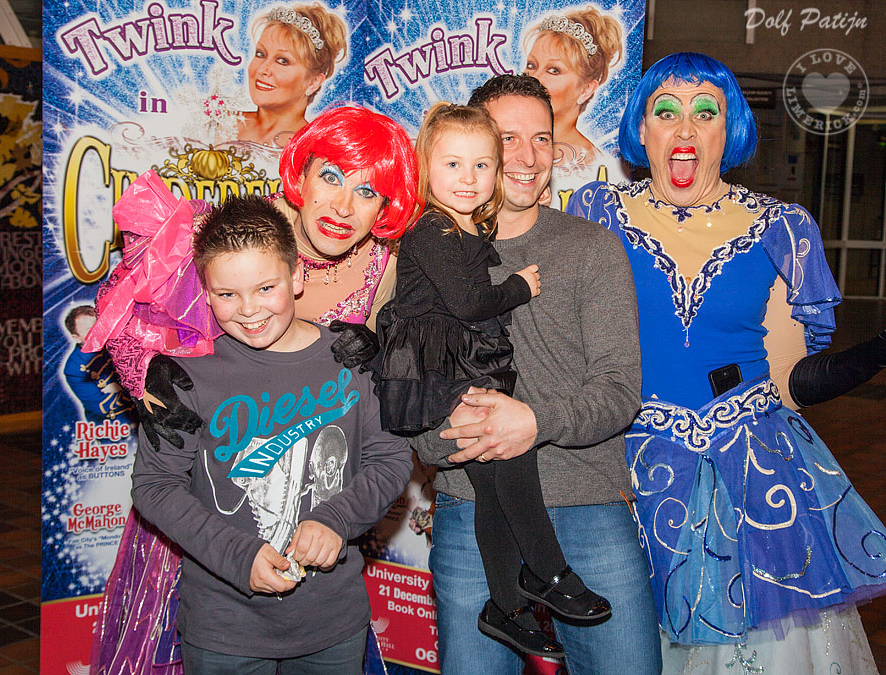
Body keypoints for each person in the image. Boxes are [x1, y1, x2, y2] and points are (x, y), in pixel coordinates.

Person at [567, 52, 886, 673]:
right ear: (641, 130)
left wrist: (875, 353)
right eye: (666, 112)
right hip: (626, 466)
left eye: (705, 113)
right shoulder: (595, 212)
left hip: (753, 473)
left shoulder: (782, 228)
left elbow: (789, 381)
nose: (684, 129)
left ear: (729, 129)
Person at [85, 106, 420, 675]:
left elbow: (385, 446)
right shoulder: (241, 230)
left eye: (368, 191)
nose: (343, 206)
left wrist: (383, 352)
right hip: (210, 524)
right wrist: (150, 376)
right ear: (302, 174)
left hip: (321, 568)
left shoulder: (386, 267)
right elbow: (132, 316)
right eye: (332, 177)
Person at [412, 74, 662, 674]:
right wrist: (452, 436)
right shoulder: (426, 250)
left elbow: (619, 388)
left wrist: (533, 423)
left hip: (587, 506)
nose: (526, 157)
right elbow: (408, 391)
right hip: (472, 510)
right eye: (507, 138)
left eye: (542, 138)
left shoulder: (591, 248)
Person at [376, 102, 609, 658]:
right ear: (425, 167)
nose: (469, 178)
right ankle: (549, 572)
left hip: (456, 360)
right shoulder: (432, 228)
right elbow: (469, 302)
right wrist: (519, 288)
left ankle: (506, 604)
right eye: (453, 164)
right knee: (515, 461)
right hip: (437, 367)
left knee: (494, 484)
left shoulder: (462, 227)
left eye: (482, 165)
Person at [523, 6, 627, 209]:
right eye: (532, 66)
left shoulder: (604, 170)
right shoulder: (499, 146)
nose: (534, 78)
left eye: (554, 70)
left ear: (586, 89)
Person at [237, 2, 347, 146]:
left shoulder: (316, 151)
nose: (262, 69)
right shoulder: (218, 123)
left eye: (283, 61)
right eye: (260, 54)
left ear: (313, 82)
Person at [62, 305, 134, 425]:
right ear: (76, 338)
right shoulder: (74, 369)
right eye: (89, 330)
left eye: (98, 327)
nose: (97, 333)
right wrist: (128, 389)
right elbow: (101, 406)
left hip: (140, 416)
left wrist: (119, 387)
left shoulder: (115, 341)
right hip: (112, 427)